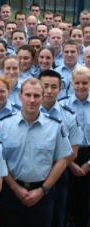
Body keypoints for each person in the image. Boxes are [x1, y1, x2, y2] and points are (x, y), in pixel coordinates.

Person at [0, 77, 72, 227]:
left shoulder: (55, 126)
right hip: (11, 192)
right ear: (20, 96)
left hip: (43, 193)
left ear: (43, 97)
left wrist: (43, 190)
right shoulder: (4, 125)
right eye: (28, 95)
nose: (32, 100)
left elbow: (62, 160)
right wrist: (15, 187)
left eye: (37, 96)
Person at [39, 69, 82, 227]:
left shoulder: (69, 115)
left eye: (53, 87)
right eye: (45, 86)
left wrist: (55, 168)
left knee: (57, 216)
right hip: (31, 174)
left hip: (58, 174)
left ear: (60, 88)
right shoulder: (25, 113)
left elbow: (74, 151)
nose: (49, 91)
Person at [59, 66, 90, 227]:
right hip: (67, 155)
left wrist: (88, 165)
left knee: (87, 201)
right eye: (77, 82)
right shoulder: (63, 105)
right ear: (72, 83)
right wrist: (70, 163)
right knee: (68, 199)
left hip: (89, 156)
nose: (81, 86)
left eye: (85, 82)